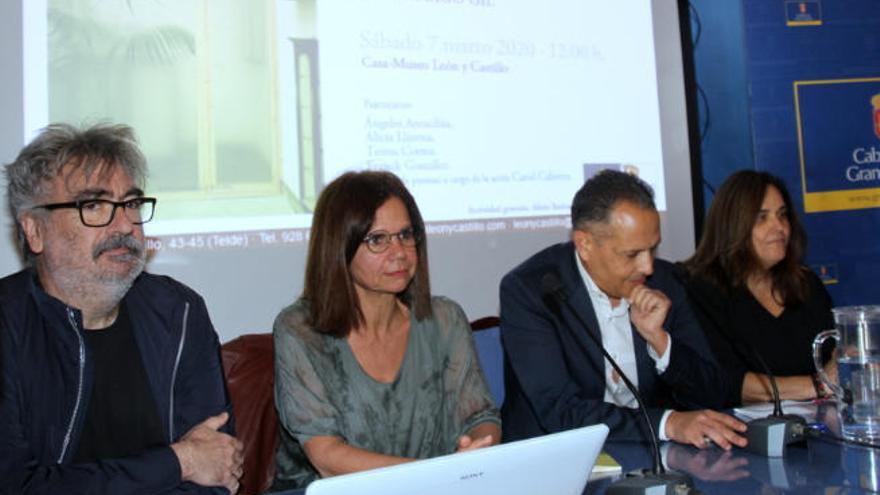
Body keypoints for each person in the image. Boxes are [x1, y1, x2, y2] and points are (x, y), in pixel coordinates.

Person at [0, 123, 243, 494]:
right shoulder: (7, 324)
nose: (126, 224)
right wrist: (180, 461)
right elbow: (17, 485)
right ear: (35, 230)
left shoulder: (179, 311)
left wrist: (193, 463)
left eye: (131, 203)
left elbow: (217, 468)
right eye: (94, 205)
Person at [272, 171, 500, 489]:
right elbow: (326, 457)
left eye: (406, 235)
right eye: (378, 240)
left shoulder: (445, 319)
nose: (400, 253)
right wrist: (437, 475)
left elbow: (479, 417)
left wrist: (476, 453)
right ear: (340, 247)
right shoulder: (300, 330)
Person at [501, 169, 747, 449]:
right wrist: (668, 424)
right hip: (555, 460)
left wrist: (660, 341)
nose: (648, 267)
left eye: (653, 249)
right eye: (632, 254)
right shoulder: (532, 290)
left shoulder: (665, 281)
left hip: (652, 457)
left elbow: (712, 394)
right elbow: (561, 412)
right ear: (585, 245)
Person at [679, 170, 834, 407]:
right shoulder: (701, 291)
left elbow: (833, 357)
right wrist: (818, 385)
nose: (779, 227)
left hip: (816, 427)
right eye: (762, 218)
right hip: (740, 436)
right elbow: (725, 381)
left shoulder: (805, 284)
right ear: (732, 226)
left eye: (782, 215)